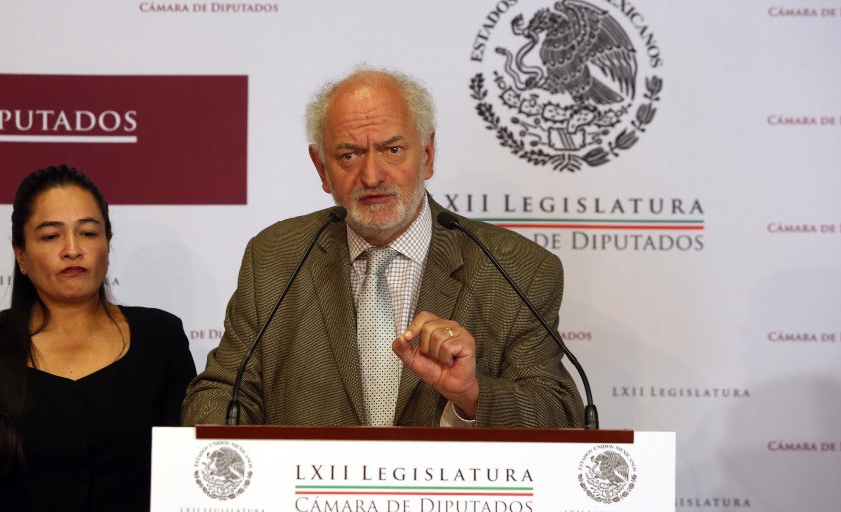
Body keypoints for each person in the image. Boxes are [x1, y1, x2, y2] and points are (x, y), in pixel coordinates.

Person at [182, 67, 584, 428]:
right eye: (349, 155)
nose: (371, 176)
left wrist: (471, 395)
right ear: (322, 168)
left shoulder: (515, 268)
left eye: (392, 150)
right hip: (309, 503)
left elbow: (559, 414)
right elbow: (221, 392)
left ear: (426, 155)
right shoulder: (276, 256)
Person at [0, 165, 197, 512]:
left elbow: (185, 483)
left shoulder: (161, 339)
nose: (72, 248)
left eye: (88, 232)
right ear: (21, 255)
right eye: (51, 235)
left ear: (107, 244)